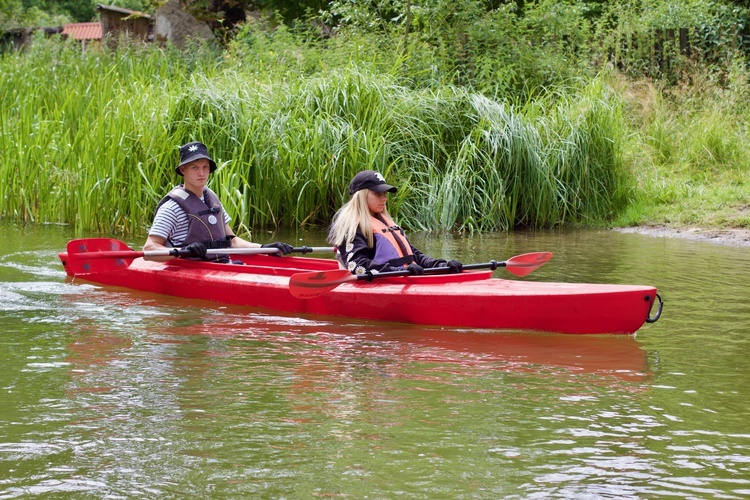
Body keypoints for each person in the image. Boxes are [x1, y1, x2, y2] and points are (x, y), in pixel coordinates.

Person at [143, 141, 292, 262]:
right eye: (195, 168)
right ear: (183, 170)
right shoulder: (172, 207)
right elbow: (149, 249)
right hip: (189, 268)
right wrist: (182, 252)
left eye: (205, 167)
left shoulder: (211, 199)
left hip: (221, 264)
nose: (201, 173)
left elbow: (232, 242)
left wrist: (266, 248)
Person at [328, 169, 463, 276]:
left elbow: (413, 255)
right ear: (362, 196)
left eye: (385, 194)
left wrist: (440, 265)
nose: (384, 198)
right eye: (378, 194)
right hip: (383, 281)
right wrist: (397, 271)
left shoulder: (385, 223)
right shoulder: (351, 227)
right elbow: (359, 266)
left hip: (402, 276)